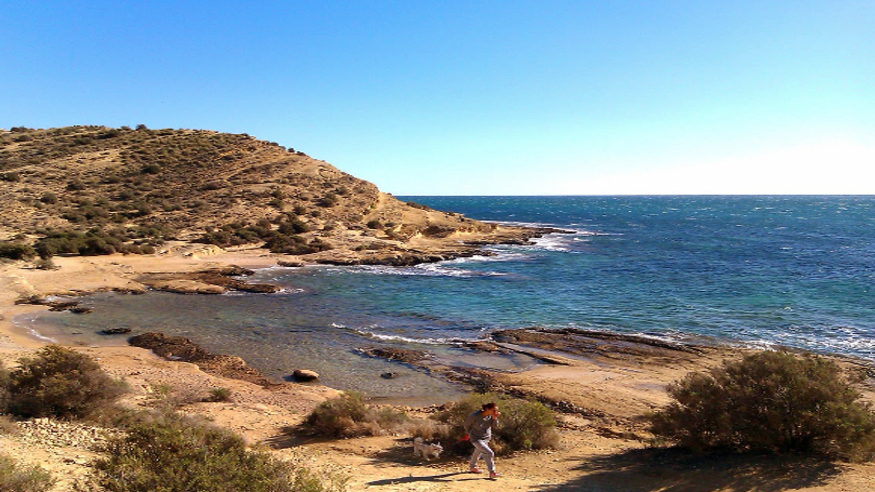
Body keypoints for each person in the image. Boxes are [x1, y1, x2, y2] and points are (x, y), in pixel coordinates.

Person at [463, 402, 501, 479]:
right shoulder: (474, 416)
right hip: (476, 438)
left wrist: (494, 418)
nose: (495, 412)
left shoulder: (491, 416)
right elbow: (467, 425)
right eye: (494, 410)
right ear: (487, 409)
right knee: (489, 452)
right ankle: (492, 472)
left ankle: (472, 467)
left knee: (478, 451)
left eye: (496, 410)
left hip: (486, 438)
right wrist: (468, 434)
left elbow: (495, 426)